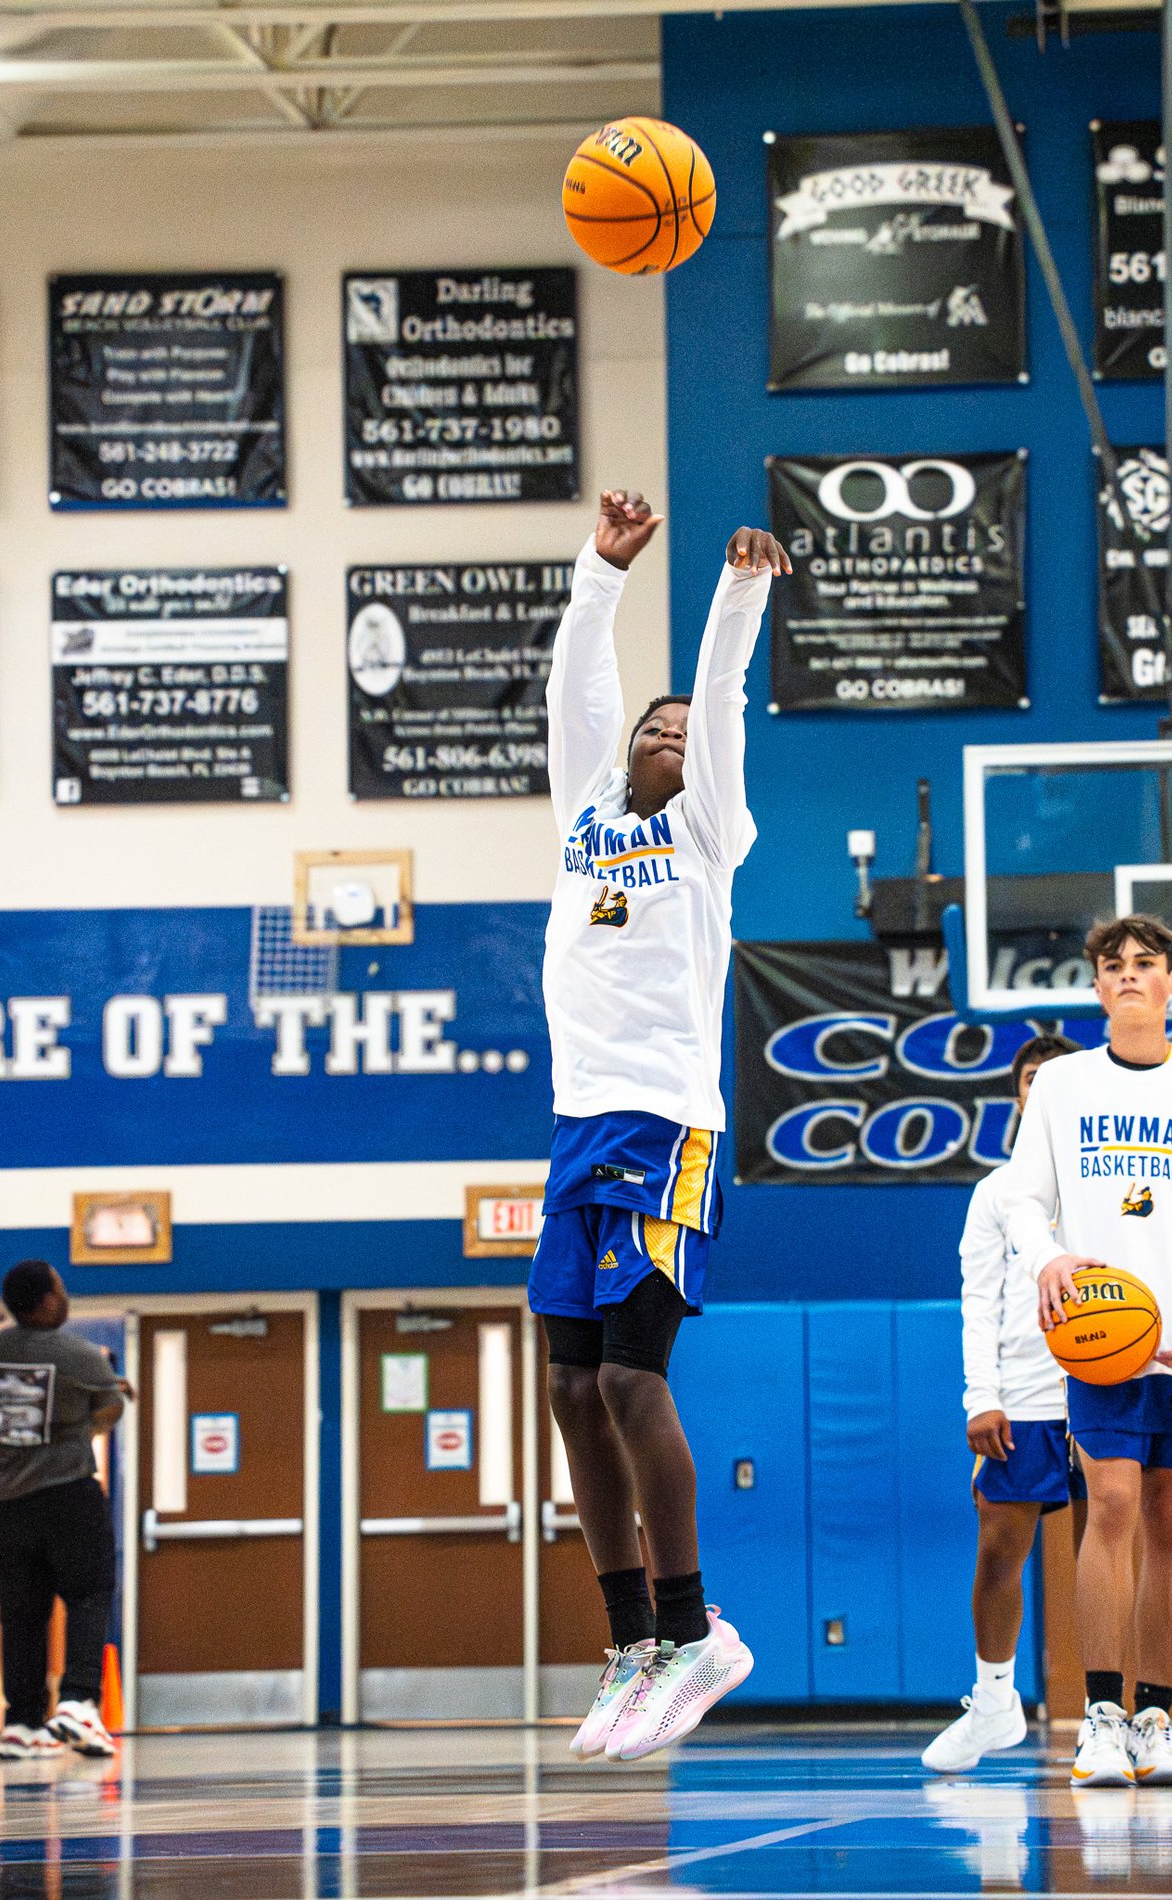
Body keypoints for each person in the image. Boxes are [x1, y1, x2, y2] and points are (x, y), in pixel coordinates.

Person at [529, 489, 787, 1763]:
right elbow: (577, 691)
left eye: (687, 731)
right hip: (577, 1131)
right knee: (570, 1385)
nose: (673, 733)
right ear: (628, 749)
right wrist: (601, 570)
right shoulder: (583, 817)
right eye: (656, 724)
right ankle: (631, 1639)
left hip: (665, 1125)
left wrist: (738, 595)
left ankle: (694, 1630)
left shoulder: (705, 831)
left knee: (633, 1376)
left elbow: (721, 702)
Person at [1002, 916, 1172, 1788]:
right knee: (1109, 1503)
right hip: (1098, 1341)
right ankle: (1099, 1718)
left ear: (1171, 983)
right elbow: (1021, 1201)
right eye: (1111, 966)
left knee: (1171, 1521)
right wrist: (1046, 1259)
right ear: (1095, 987)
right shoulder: (1063, 1084)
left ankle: (1154, 1720)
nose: (1126, 976)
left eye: (1144, 964)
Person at [923, 1032, 1083, 1775]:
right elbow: (977, 1301)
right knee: (997, 1550)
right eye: (1029, 1078)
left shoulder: (1112, 1181)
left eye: (1054, 1076)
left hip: (1104, 1390)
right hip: (1023, 1397)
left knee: (1110, 1555)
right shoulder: (995, 1191)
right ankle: (994, 1701)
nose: (1039, 1086)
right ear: (1017, 1095)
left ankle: (1114, 1711)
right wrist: (980, 1396)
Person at [0, 1259, 130, 1760]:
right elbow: (109, 1409)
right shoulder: (78, 1353)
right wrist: (82, 1424)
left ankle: (22, 1723)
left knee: (21, 1612)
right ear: (44, 1301)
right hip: (63, 1492)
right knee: (89, 1591)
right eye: (60, 1290)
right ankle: (78, 1702)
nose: (66, 1297)